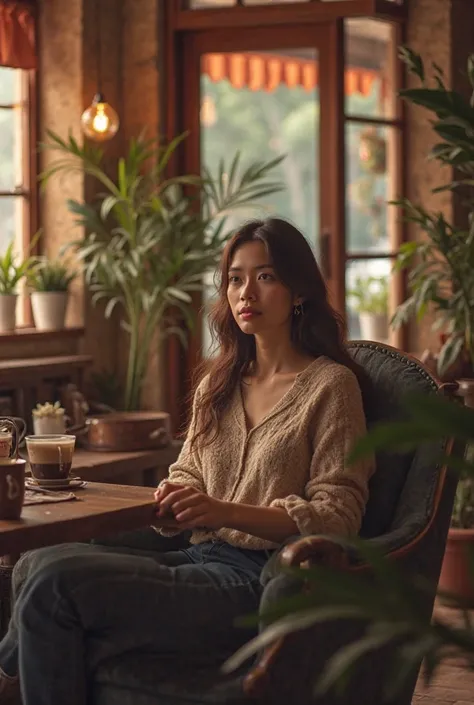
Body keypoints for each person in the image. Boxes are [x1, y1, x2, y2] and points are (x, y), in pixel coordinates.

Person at [0, 218, 374, 705]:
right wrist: (175, 497)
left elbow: (337, 515)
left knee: (53, 584)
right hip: (196, 555)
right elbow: (187, 472)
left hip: (256, 579)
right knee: (34, 564)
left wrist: (224, 511)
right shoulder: (217, 384)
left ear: (298, 290)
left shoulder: (330, 386)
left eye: (265, 276)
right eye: (235, 279)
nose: (246, 293)